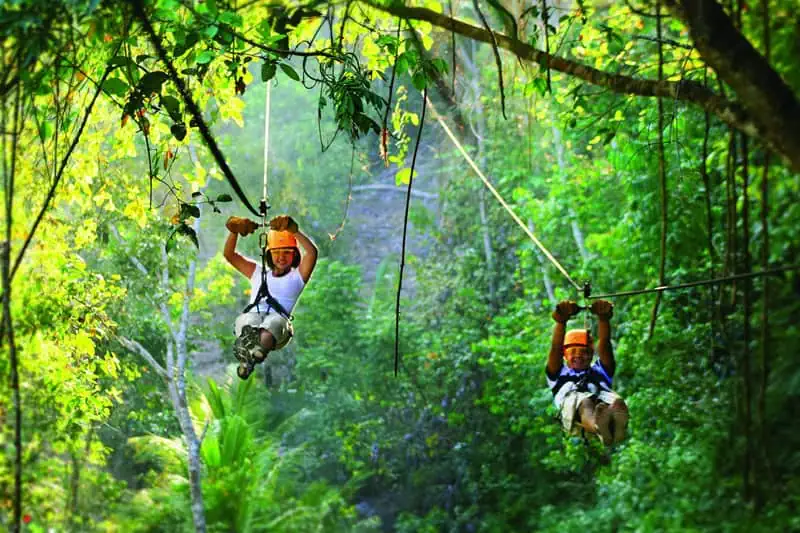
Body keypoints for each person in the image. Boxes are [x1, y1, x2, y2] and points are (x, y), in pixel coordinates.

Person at [223, 214, 318, 380]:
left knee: (271, 325)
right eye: (276, 252)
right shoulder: (258, 273)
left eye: (287, 252)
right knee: (249, 322)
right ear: (269, 255)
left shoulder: (297, 277)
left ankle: (254, 354)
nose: (281, 257)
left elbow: (311, 253)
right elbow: (230, 255)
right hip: (253, 321)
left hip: (277, 329)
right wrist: (234, 232)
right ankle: (248, 356)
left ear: (295, 255)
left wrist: (294, 231)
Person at [545, 299, 629, 445]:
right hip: (574, 405)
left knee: (615, 402)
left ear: (591, 355)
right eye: (573, 352)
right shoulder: (558, 374)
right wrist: (561, 322)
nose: (578, 355)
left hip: (601, 401)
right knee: (585, 403)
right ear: (565, 355)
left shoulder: (600, 371)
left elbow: (605, 345)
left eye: (584, 352)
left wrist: (603, 319)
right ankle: (599, 427)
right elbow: (556, 348)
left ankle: (614, 427)